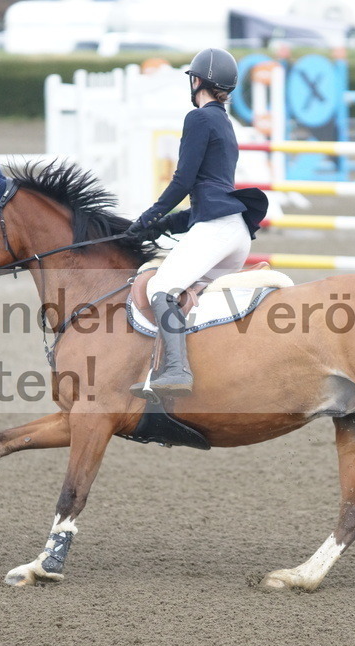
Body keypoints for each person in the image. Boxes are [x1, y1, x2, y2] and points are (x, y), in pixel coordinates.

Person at [123, 48, 268, 399]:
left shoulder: (199, 119)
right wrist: (165, 225)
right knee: (191, 298)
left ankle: (175, 370)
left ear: (197, 80)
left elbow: (184, 181)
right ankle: (187, 368)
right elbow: (209, 194)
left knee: (161, 288)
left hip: (217, 230)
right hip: (235, 232)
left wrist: (149, 216)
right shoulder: (225, 123)